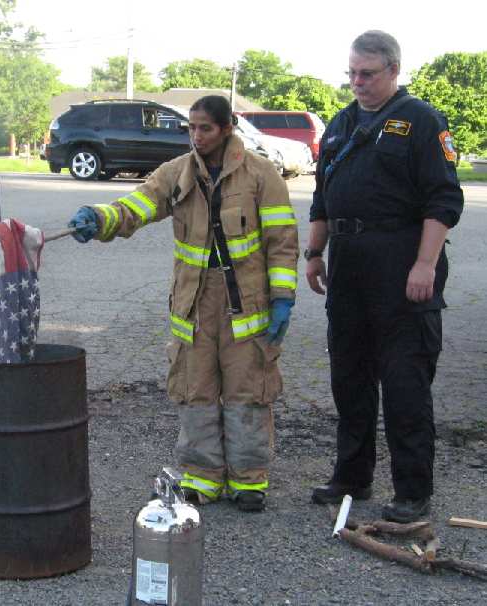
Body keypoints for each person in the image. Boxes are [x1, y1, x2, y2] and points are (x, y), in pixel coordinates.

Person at [68, 95, 299, 512]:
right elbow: (136, 206)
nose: (196, 136)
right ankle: (202, 477)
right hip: (193, 303)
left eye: (204, 128)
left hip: (245, 305)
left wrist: (283, 297)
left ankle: (249, 480)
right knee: (196, 390)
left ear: (227, 128)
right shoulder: (176, 173)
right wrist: (100, 219)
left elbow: (282, 241)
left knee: (248, 391)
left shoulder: (261, 175)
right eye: (191, 127)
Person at [306, 31, 464, 523]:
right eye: (351, 73)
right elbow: (322, 197)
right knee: (349, 377)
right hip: (349, 266)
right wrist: (315, 253)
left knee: (404, 382)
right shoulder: (342, 123)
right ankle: (352, 476)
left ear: (394, 70)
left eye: (367, 74)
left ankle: (412, 491)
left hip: (401, 261)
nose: (357, 82)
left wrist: (424, 264)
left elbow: (444, 199)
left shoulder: (422, 121)